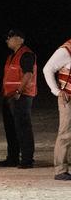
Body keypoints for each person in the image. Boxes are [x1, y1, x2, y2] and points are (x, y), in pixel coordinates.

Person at [0, 30, 36, 168]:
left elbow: (28, 74)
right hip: (10, 96)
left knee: (23, 128)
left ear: (20, 39)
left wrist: (19, 91)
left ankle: (27, 160)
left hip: (21, 97)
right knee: (11, 129)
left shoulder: (25, 54)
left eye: (10, 37)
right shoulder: (12, 56)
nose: (7, 40)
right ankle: (12, 158)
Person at [41, 37, 71, 181]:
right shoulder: (67, 50)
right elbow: (47, 69)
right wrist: (56, 91)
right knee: (66, 133)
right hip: (68, 98)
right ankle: (60, 170)